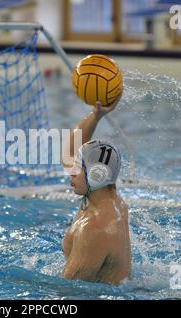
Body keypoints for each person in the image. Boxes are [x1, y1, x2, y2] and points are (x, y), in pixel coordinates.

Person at [61, 95, 131, 285]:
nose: (70, 171)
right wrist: (96, 115)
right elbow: (69, 151)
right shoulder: (108, 199)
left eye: (76, 168)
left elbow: (67, 291)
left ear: (97, 175)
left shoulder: (95, 228)